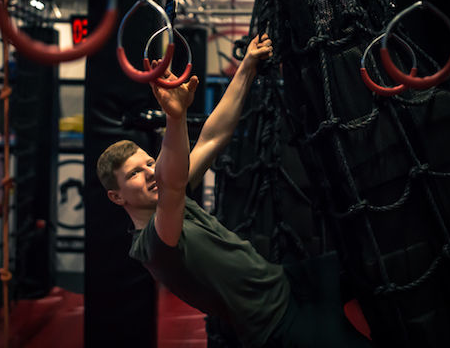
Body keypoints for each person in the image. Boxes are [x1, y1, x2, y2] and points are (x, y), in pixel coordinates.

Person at [96, 35, 372, 348]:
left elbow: (213, 137)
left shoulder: (171, 193)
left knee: (378, 258)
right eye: (134, 173)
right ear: (117, 197)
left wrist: (248, 65)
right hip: (279, 324)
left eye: (148, 163)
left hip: (291, 283)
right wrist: (176, 116)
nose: (148, 173)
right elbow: (171, 182)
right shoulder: (154, 244)